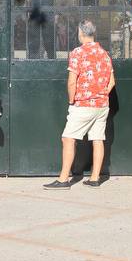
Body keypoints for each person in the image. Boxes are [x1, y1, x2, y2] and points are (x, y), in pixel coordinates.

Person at [44, 20, 114, 189]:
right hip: (102, 104)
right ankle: (95, 178)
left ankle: (63, 179)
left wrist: (71, 101)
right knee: (97, 139)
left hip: (83, 104)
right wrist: (102, 93)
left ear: (81, 34)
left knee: (68, 138)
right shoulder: (104, 53)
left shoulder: (77, 53)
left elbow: (71, 82)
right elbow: (112, 82)